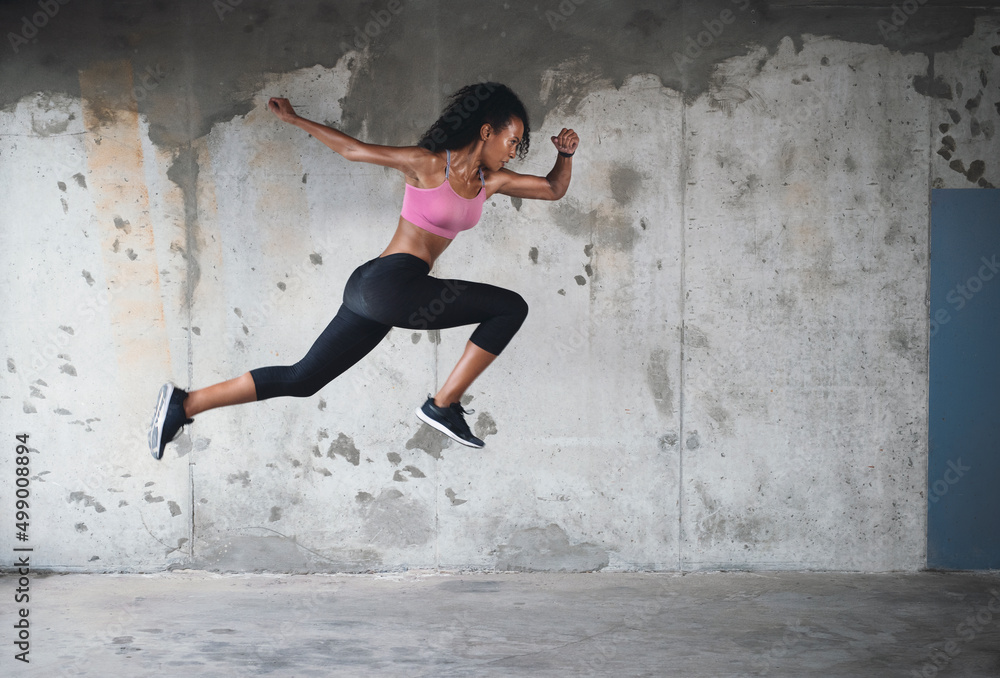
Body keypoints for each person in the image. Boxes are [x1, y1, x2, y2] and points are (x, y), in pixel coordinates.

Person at [148, 82, 579, 459]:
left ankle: (183, 405)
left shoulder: (491, 182)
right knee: (510, 308)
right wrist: (297, 121)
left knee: (304, 379)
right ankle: (442, 405)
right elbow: (354, 150)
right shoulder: (430, 164)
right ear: (486, 131)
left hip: (376, 289)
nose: (514, 150)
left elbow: (554, 188)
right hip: (390, 284)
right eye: (512, 139)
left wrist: (564, 155)